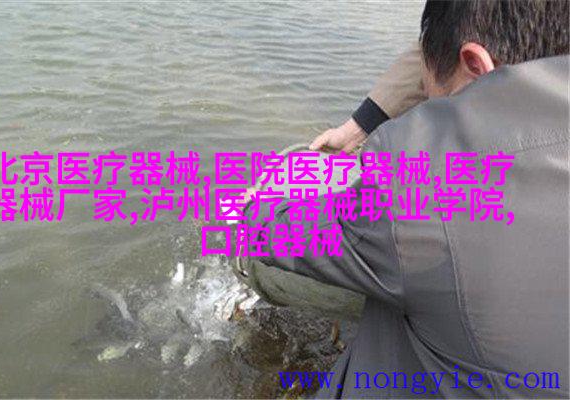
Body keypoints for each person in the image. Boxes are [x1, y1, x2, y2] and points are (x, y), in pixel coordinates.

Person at [242, 0, 570, 398]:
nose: (428, 102)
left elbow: (291, 234)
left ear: (477, 66)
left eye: (432, 93)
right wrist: (358, 127)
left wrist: (254, 207)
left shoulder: (426, 193)